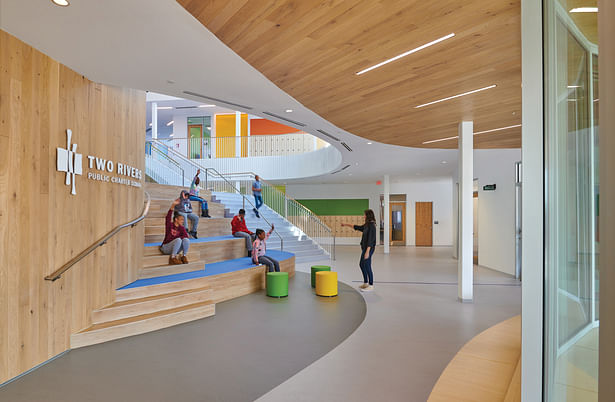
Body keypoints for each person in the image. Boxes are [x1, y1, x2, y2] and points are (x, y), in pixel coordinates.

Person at [341, 209, 377, 292]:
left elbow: (371, 240)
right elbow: (357, 227)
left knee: (367, 265)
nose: (363, 216)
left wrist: (367, 251)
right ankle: (365, 283)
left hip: (369, 248)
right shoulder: (367, 225)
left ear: (368, 215)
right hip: (365, 248)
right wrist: (346, 224)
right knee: (361, 264)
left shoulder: (372, 226)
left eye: (364, 215)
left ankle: (371, 285)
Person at [160, 199, 191, 265]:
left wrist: (182, 238)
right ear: (176, 219)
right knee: (178, 240)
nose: (183, 221)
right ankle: (172, 258)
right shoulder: (170, 225)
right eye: (181, 219)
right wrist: (173, 205)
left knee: (186, 240)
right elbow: (168, 217)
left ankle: (184, 256)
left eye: (183, 220)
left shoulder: (182, 228)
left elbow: (185, 237)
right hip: (166, 248)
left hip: (175, 248)